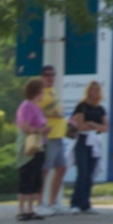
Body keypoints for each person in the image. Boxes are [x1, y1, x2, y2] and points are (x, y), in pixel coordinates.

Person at [69, 80, 107, 215]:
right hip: (83, 141)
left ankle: (86, 203)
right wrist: (92, 126)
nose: (95, 92)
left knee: (90, 174)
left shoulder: (100, 109)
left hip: (95, 141)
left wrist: (92, 124)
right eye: (93, 90)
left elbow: (104, 127)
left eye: (97, 90)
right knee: (82, 172)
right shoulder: (82, 106)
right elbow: (79, 126)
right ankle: (75, 203)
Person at [15, 77, 50, 221]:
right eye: (42, 91)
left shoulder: (36, 107)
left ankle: (30, 209)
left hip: (39, 147)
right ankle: (22, 210)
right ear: (36, 92)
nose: (43, 94)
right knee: (26, 177)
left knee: (35, 179)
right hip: (29, 147)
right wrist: (40, 131)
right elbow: (24, 126)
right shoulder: (27, 106)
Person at [36, 65, 68, 215]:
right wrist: (52, 112)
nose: (50, 77)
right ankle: (39, 203)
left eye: (52, 74)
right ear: (42, 76)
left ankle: (52, 202)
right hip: (47, 137)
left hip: (59, 135)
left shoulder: (53, 91)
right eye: (47, 75)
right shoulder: (39, 92)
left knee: (61, 168)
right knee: (44, 171)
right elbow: (36, 111)